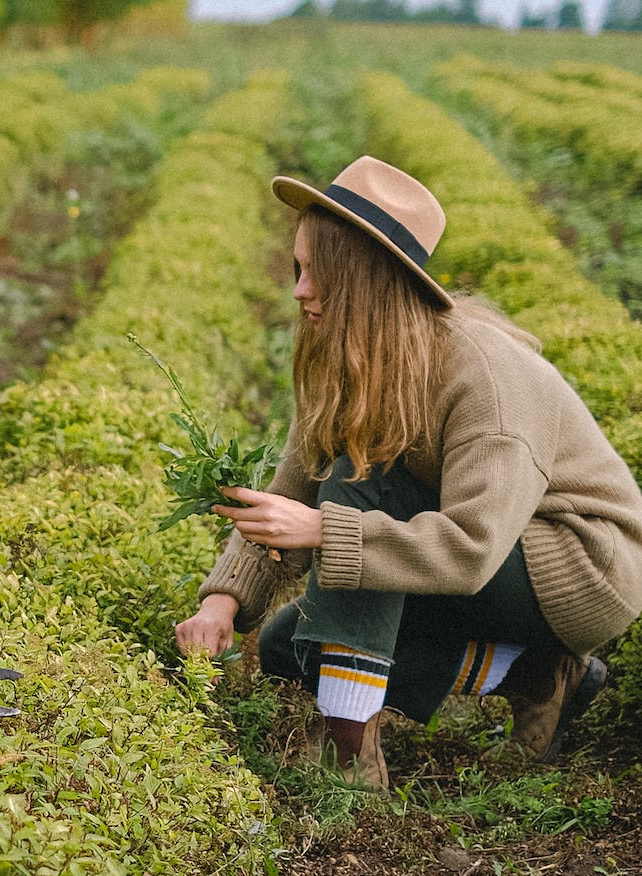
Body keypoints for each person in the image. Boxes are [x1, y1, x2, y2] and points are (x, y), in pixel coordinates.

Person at [174, 156, 642, 789]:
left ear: (367, 280)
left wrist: (323, 531)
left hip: (575, 568)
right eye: (298, 268)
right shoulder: (353, 355)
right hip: (488, 557)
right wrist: (224, 603)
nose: (299, 291)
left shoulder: (484, 378)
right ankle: (536, 675)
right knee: (294, 645)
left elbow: (473, 548)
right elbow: (290, 491)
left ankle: (347, 755)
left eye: (317, 274)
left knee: (359, 476)